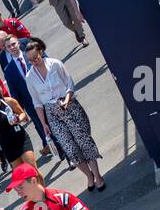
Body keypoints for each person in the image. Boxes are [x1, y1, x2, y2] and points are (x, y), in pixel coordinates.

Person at [26, 38, 104, 189]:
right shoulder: (29, 78)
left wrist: (67, 100)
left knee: (84, 141)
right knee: (70, 148)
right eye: (30, 60)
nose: (34, 62)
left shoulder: (55, 64)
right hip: (52, 114)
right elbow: (37, 103)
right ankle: (89, 176)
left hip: (70, 106)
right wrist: (44, 124)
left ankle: (98, 175)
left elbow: (69, 84)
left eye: (35, 57)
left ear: (41, 52)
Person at [3, 34, 53, 158]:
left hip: (47, 95)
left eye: (14, 44)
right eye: (9, 46)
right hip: (31, 104)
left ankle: (66, 153)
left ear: (18, 43)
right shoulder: (9, 70)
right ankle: (59, 152)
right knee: (43, 127)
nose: (12, 47)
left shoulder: (30, 56)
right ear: (6, 49)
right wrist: (20, 111)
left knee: (55, 122)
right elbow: (14, 92)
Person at [0, 82, 36, 169]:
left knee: (32, 169)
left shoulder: (9, 101)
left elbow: (22, 114)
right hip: (7, 147)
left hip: (21, 139)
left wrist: (19, 119)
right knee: (23, 177)